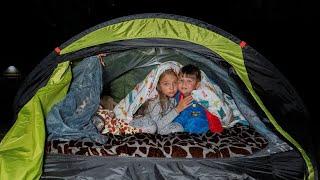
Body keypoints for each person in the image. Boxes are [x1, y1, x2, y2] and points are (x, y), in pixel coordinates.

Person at [130, 68, 192, 134]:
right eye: (166, 84)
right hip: (143, 124)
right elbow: (157, 125)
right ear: (159, 85)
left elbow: (166, 121)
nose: (171, 87)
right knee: (152, 127)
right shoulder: (156, 101)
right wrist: (177, 110)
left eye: (175, 83)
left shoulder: (172, 99)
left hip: (157, 127)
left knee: (179, 128)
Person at [173, 64, 223, 134]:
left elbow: (211, 110)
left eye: (189, 81)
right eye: (181, 80)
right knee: (175, 122)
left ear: (197, 84)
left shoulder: (201, 96)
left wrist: (216, 129)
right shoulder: (176, 95)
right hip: (182, 120)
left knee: (194, 123)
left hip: (198, 120)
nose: (184, 84)